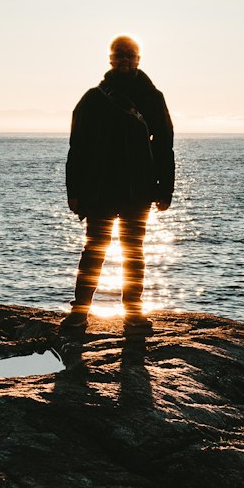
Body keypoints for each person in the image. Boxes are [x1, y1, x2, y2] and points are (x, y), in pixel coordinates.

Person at [61, 35, 174, 333]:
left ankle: (133, 314)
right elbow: (77, 148)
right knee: (94, 251)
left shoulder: (153, 97)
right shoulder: (93, 98)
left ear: (138, 59)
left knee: (133, 252)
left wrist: (165, 190)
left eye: (130, 56)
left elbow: (165, 144)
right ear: (110, 59)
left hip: (138, 190)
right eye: (119, 56)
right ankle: (79, 312)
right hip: (100, 189)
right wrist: (74, 192)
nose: (124, 61)